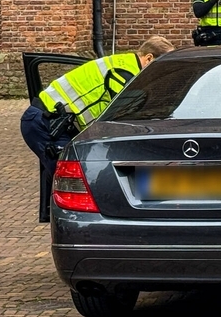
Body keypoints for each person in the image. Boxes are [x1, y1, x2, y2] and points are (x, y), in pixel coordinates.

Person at [20, 35, 174, 222]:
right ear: (149, 58)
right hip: (44, 123)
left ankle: (53, 218)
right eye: (161, 68)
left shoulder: (123, 63)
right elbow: (119, 118)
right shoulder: (123, 74)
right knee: (73, 179)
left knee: (62, 172)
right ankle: (72, 225)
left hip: (49, 121)